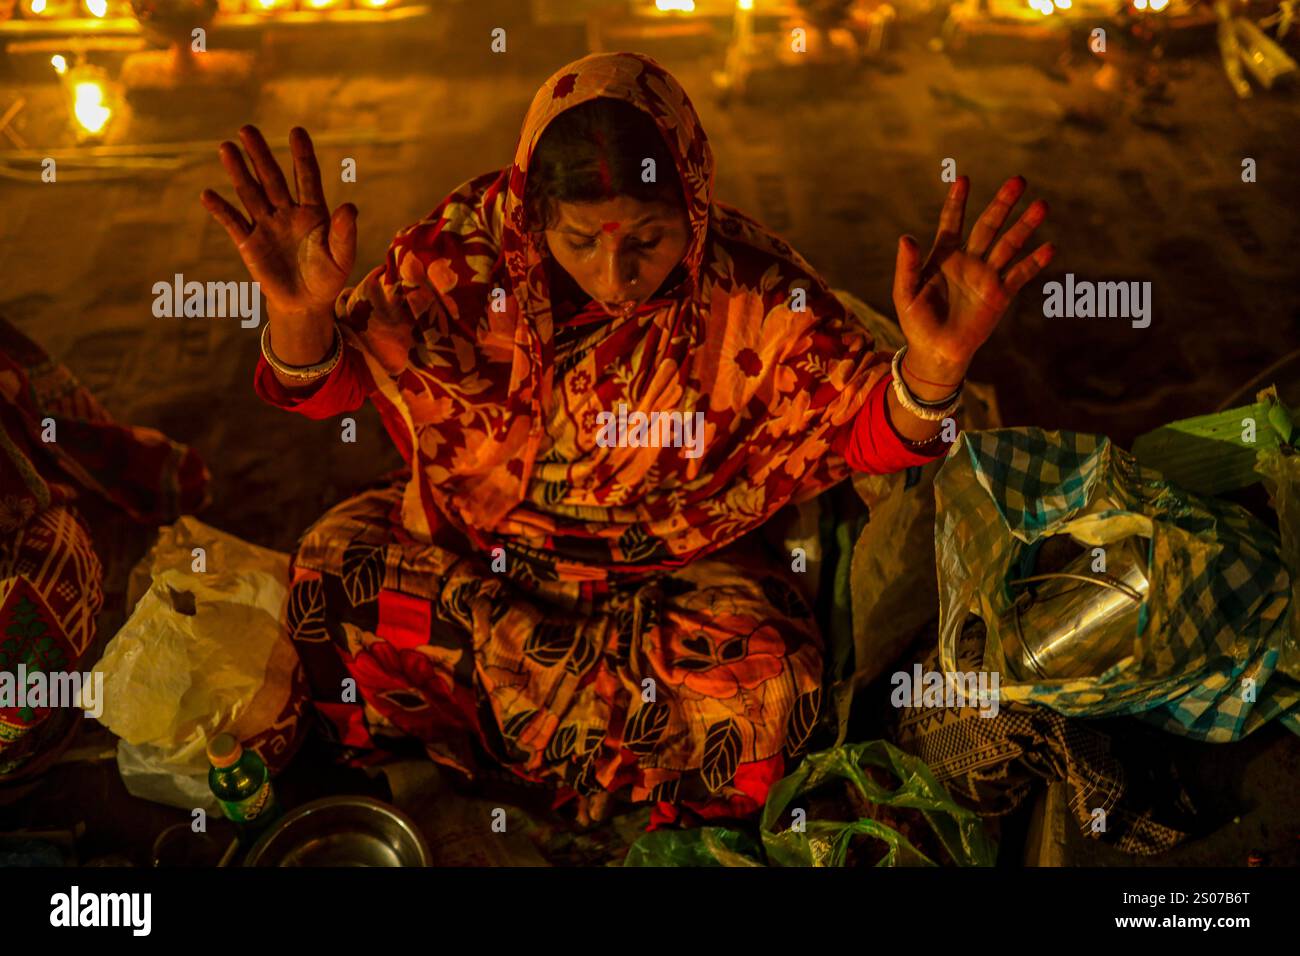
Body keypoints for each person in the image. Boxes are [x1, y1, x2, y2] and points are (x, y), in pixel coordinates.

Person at [200, 52, 1051, 828]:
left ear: (694, 195)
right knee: (327, 573)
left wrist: (934, 368)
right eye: (578, 242)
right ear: (534, 214)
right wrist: (299, 314)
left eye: (648, 241)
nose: (616, 278)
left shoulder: (752, 290)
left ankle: (513, 765)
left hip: (675, 576)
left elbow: (865, 432)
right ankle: (601, 778)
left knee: (769, 686)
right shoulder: (460, 260)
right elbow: (338, 384)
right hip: (486, 557)